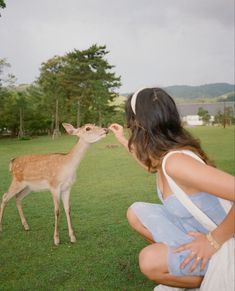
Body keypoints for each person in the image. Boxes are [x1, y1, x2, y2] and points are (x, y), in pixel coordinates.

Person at [109, 87, 234, 291]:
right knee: (136, 212)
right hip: (196, 231)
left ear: (139, 124)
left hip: (225, 240)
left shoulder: (176, 162)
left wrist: (213, 241)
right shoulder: (167, 156)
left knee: (149, 260)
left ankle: (202, 278)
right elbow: (149, 165)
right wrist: (123, 140)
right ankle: (192, 268)